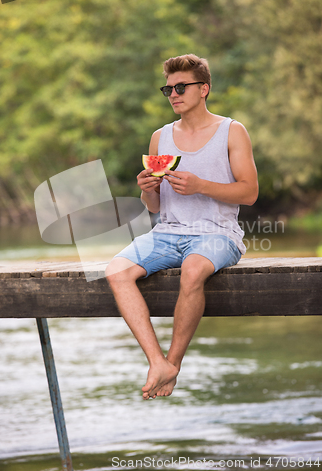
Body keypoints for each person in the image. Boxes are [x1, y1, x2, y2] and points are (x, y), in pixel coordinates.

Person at [106, 54, 258, 400]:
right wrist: (148, 191)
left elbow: (250, 192)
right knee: (115, 271)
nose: (173, 94)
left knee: (192, 271)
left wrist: (201, 185)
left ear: (203, 89)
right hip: (167, 233)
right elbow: (156, 208)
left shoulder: (231, 131)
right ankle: (156, 361)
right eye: (168, 89)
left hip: (218, 234)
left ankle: (172, 363)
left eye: (180, 87)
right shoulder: (160, 137)